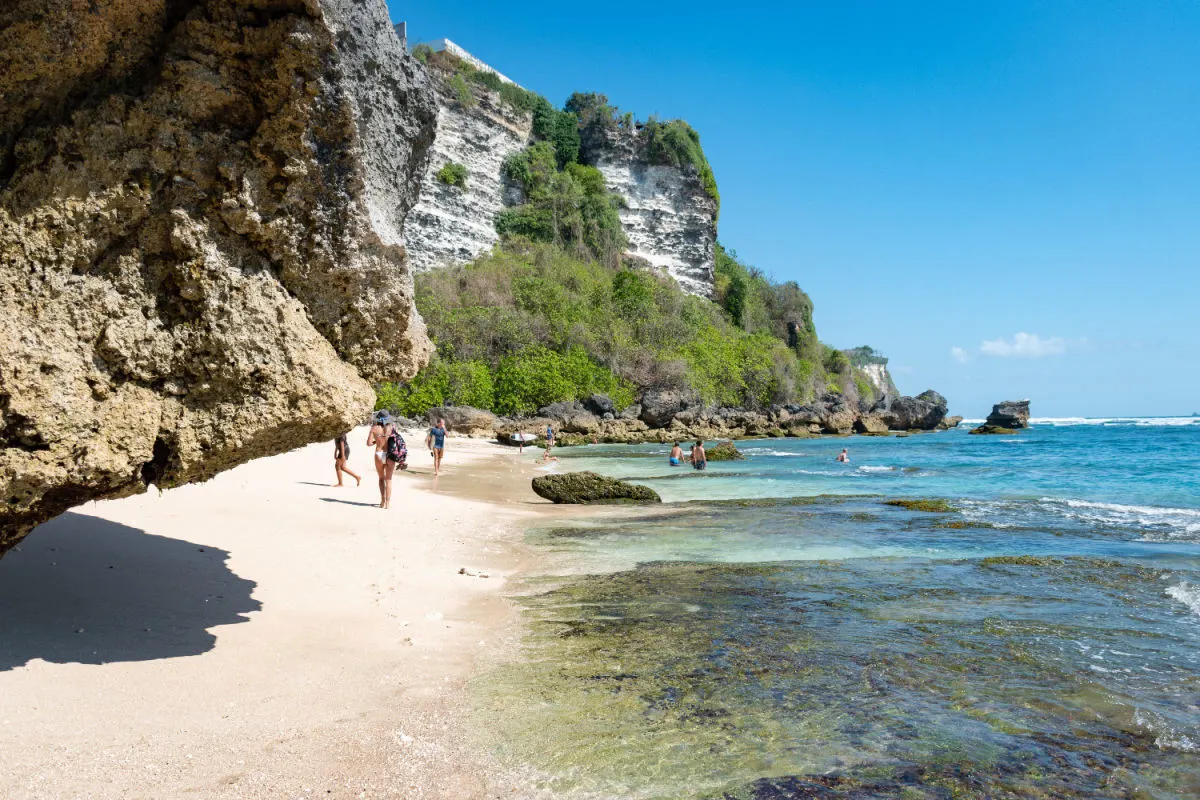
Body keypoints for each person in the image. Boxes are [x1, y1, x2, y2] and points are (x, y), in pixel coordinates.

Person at [367, 411, 397, 509]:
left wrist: (377, 441)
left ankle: (382, 501)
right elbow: (397, 442)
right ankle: (388, 503)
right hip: (389, 454)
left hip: (379, 454)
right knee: (388, 479)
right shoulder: (392, 428)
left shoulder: (374, 428)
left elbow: (369, 443)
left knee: (381, 478)